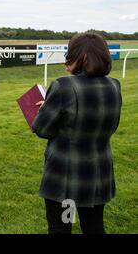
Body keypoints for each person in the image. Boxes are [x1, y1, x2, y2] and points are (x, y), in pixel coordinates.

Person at [32, 32, 122, 234]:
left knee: (61, 228)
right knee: (94, 227)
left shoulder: (63, 86)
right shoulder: (114, 86)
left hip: (66, 179)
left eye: (71, 54)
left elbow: (41, 129)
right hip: (99, 174)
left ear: (83, 57)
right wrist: (53, 107)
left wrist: (45, 110)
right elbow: (109, 125)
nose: (67, 59)